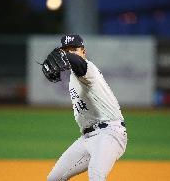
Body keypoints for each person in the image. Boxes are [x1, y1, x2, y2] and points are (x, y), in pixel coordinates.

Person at [46, 34, 127, 181]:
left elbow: (79, 64)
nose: (71, 53)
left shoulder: (88, 69)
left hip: (110, 133)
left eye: (74, 49)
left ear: (84, 51)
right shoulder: (73, 77)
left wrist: (65, 55)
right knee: (54, 178)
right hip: (87, 137)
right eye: (67, 50)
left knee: (96, 176)